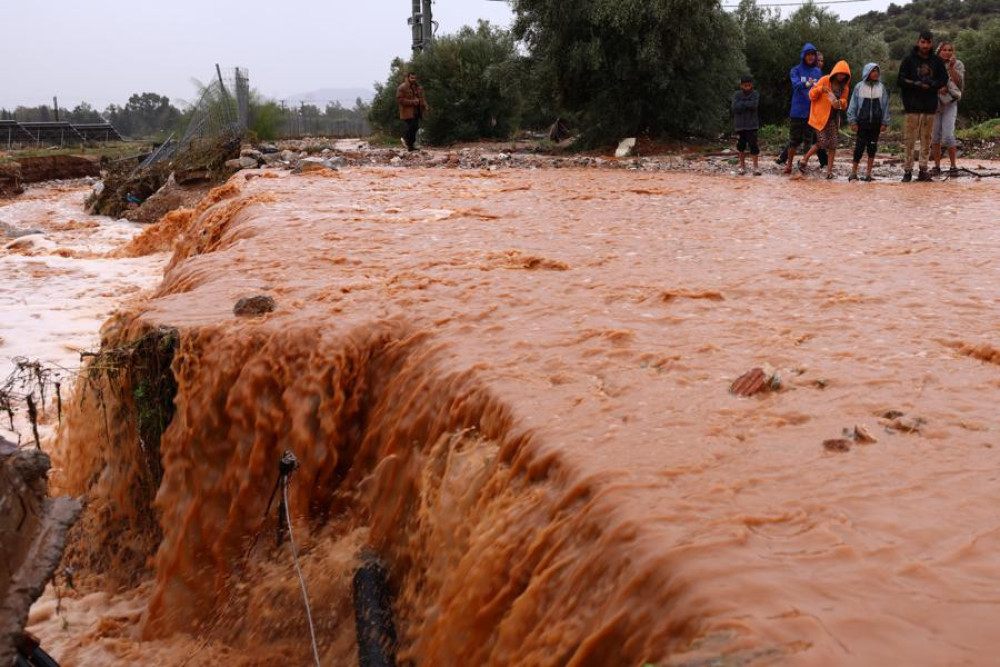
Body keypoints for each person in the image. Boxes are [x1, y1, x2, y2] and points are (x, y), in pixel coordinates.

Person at [898, 31, 948, 182]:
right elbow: (900, 80)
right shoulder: (908, 60)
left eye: (928, 43)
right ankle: (907, 171)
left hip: (929, 105)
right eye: (922, 42)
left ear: (931, 43)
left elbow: (943, 79)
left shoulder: (937, 61)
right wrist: (916, 84)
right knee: (910, 140)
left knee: (927, 139)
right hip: (912, 106)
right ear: (918, 42)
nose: (925, 46)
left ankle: (923, 170)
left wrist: (932, 84)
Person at [798, 60, 851, 179]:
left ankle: (829, 171)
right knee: (822, 142)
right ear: (835, 72)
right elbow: (811, 95)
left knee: (833, 145)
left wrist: (840, 103)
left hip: (833, 118)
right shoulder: (825, 80)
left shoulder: (845, 87)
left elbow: (845, 102)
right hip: (819, 117)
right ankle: (804, 159)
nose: (842, 76)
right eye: (840, 73)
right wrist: (820, 89)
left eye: (844, 74)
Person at [783, 43, 823, 175]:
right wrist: (806, 83)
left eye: (813, 54)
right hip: (797, 110)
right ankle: (788, 165)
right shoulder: (795, 70)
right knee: (793, 140)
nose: (811, 57)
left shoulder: (818, 71)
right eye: (808, 54)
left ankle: (803, 164)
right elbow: (795, 85)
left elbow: (821, 90)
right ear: (803, 56)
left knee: (808, 140)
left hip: (812, 111)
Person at [847, 62, 890, 182]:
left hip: (876, 124)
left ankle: (868, 174)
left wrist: (885, 122)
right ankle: (853, 172)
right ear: (867, 72)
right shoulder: (859, 87)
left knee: (872, 147)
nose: (875, 73)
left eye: (877, 71)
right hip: (862, 123)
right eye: (873, 71)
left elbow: (885, 106)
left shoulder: (881, 87)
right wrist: (852, 121)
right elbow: (853, 105)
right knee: (859, 147)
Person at [931, 42, 965, 176]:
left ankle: (953, 166)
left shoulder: (958, 64)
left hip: (950, 103)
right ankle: (937, 166)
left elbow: (959, 83)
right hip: (934, 104)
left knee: (949, 135)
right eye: (944, 50)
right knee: (935, 137)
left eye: (950, 50)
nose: (947, 52)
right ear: (939, 52)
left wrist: (951, 68)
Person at [732, 75, 761, 176]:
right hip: (740, 125)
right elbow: (735, 107)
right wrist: (747, 103)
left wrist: (742, 103)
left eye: (749, 85)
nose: (747, 87)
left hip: (752, 125)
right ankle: (742, 166)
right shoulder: (736, 94)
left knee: (754, 145)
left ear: (752, 85)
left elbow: (754, 105)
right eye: (745, 85)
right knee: (741, 146)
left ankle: (756, 167)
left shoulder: (755, 94)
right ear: (741, 86)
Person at [396, 71, 428, 152]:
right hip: (407, 112)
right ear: (408, 78)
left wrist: (424, 104)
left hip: (417, 111)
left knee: (415, 127)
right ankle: (405, 139)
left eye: (414, 78)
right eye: (411, 78)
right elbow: (400, 100)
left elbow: (421, 97)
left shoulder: (417, 87)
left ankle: (410, 146)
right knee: (412, 126)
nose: (413, 79)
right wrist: (413, 102)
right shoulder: (402, 87)